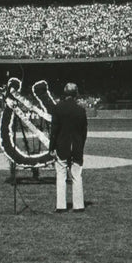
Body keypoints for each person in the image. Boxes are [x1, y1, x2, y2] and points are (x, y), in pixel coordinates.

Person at [50, 82, 87, 213]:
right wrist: (81, 146)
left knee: (61, 175)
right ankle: (79, 205)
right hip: (76, 146)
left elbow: (54, 130)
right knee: (77, 175)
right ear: (76, 93)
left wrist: (51, 147)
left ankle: (61, 206)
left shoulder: (58, 108)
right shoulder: (81, 110)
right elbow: (84, 132)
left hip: (62, 146)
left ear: (65, 93)